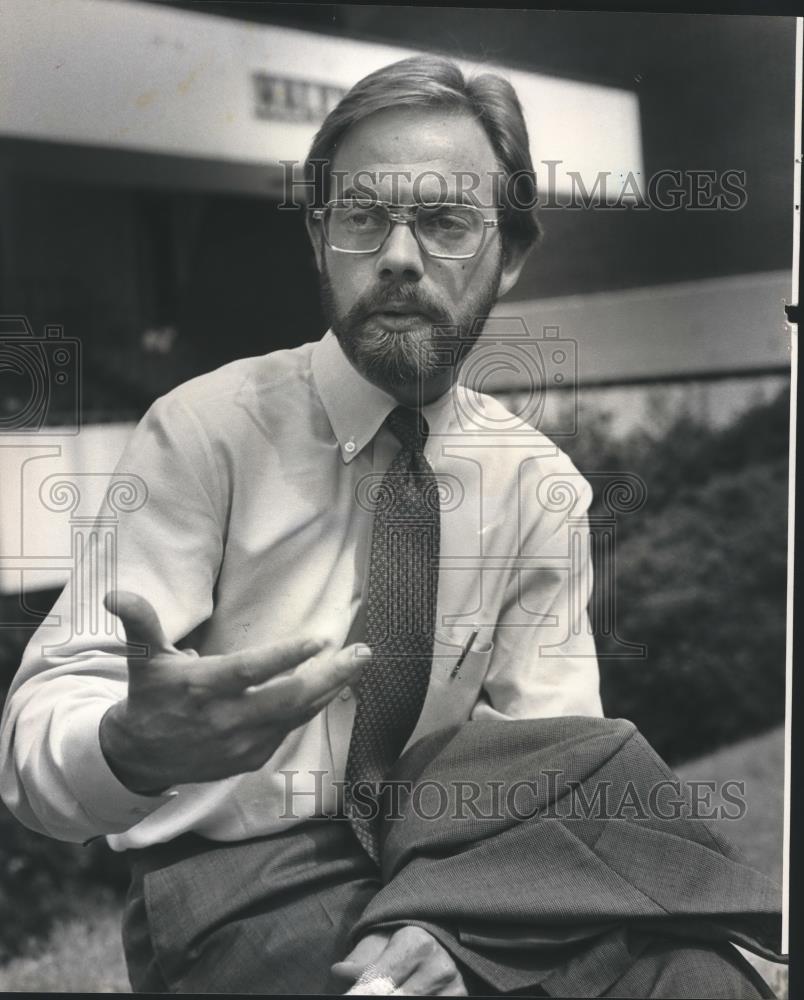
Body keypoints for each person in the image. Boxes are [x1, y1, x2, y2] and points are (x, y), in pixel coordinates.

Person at [0, 55, 605, 994]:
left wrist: (464, 921)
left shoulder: (539, 485)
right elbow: (36, 735)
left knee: (689, 970)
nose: (399, 256)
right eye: (364, 217)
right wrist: (128, 745)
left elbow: (562, 761)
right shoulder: (204, 430)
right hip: (231, 880)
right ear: (321, 240)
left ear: (512, 255)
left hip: (443, 862)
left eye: (445, 221)